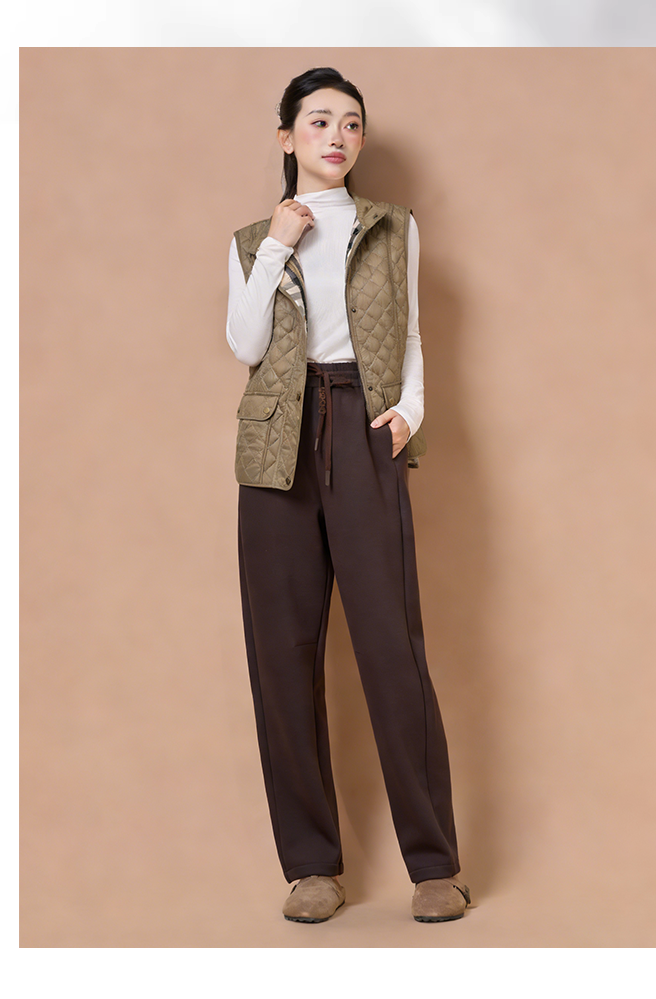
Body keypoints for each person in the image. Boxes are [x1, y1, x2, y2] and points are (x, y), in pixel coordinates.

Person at [226, 67, 471, 925]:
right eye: (320, 120)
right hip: (276, 445)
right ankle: (311, 868)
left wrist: (411, 411)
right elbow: (244, 342)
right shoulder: (253, 237)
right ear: (287, 135)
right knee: (282, 656)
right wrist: (278, 243)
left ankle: (435, 864)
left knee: (391, 647)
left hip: (365, 427)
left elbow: (410, 332)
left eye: (352, 123)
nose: (338, 136)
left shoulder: (393, 226)